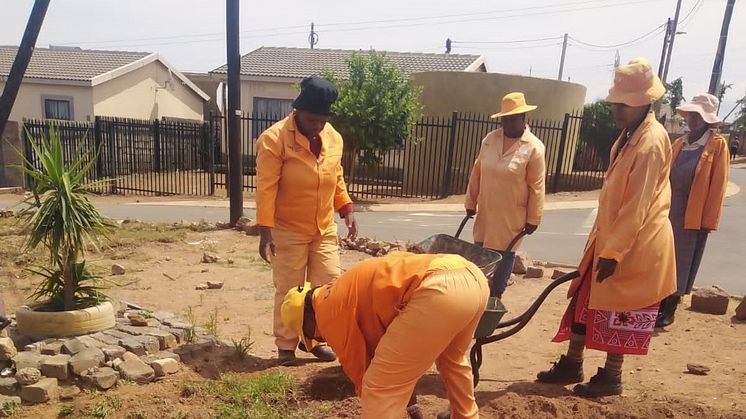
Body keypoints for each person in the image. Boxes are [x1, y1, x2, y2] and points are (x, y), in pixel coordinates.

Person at [535, 58, 676, 397]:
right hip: (612, 237)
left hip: (635, 244)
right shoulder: (630, 134)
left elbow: (637, 204)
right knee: (585, 298)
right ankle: (572, 362)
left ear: (644, 101)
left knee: (622, 311)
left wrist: (613, 252)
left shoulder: (651, 141)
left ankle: (611, 377)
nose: (615, 109)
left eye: (622, 104)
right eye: (615, 102)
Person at [281, 252, 489, 419]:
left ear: (308, 318)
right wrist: (411, 406)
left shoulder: (328, 313)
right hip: (471, 278)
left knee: (378, 387)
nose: (319, 338)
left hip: (437, 292)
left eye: (309, 333)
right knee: (451, 358)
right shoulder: (339, 290)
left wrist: (394, 401)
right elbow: (396, 358)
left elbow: (366, 374)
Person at [256, 76, 358, 366]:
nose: (317, 126)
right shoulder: (274, 139)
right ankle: (286, 346)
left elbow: (335, 175)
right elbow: (266, 187)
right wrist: (266, 231)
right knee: (288, 288)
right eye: (312, 120)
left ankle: (313, 341)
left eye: (322, 120)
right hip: (287, 228)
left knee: (327, 287)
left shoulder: (333, 137)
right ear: (298, 111)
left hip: (323, 227)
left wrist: (346, 207)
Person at [656, 93, 730, 327]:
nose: (693, 119)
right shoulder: (680, 142)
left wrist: (709, 220)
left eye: (698, 115)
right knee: (662, 255)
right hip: (669, 207)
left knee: (682, 259)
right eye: (691, 114)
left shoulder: (717, 145)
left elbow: (718, 185)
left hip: (693, 213)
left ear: (708, 119)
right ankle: (657, 301)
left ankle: (670, 306)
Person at [465, 92, 546, 297]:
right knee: (482, 254)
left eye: (513, 118)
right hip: (487, 211)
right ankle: (478, 296)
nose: (508, 123)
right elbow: (478, 171)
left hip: (511, 215)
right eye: (505, 118)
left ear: (523, 119)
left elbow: (537, 185)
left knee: (503, 255)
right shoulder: (490, 140)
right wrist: (470, 201)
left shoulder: (534, 147)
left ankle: (496, 297)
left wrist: (533, 218)